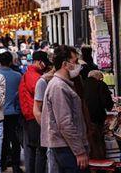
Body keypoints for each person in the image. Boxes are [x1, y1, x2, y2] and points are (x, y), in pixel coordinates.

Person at [41, 45, 89, 173]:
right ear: (65, 64)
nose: (78, 65)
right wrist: (79, 151)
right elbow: (65, 123)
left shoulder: (63, 85)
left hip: (68, 146)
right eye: (75, 62)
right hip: (67, 148)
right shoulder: (59, 87)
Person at [19, 51, 52, 173]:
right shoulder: (34, 76)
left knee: (34, 149)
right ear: (39, 62)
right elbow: (38, 93)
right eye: (44, 63)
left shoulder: (32, 74)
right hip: (34, 116)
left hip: (30, 115)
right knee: (40, 149)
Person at [0, 51, 23, 173]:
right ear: (10, 61)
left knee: (1, 140)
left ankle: (2, 164)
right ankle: (16, 166)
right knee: (15, 140)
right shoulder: (18, 76)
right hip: (14, 112)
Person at [83, 70, 114, 159]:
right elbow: (107, 102)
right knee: (98, 141)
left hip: (84, 118)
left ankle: (92, 163)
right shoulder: (100, 84)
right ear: (98, 77)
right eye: (101, 78)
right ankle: (100, 164)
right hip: (97, 117)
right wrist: (109, 107)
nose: (101, 80)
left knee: (90, 142)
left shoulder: (82, 84)